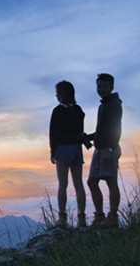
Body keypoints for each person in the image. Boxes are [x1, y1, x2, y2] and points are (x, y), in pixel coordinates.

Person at [49, 81, 89, 228]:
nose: (56, 95)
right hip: (76, 149)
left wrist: (53, 152)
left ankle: (62, 217)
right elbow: (80, 131)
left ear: (61, 94)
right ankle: (82, 217)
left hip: (63, 149)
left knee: (63, 184)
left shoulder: (58, 111)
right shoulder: (78, 110)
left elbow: (53, 133)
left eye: (57, 92)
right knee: (78, 184)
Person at [86, 73, 123, 228]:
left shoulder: (114, 104)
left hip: (108, 148)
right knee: (92, 182)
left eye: (105, 86)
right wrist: (87, 137)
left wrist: (110, 148)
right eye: (99, 86)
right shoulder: (103, 105)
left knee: (110, 181)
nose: (101, 89)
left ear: (112, 87)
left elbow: (115, 128)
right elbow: (102, 131)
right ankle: (100, 216)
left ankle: (112, 217)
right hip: (100, 148)